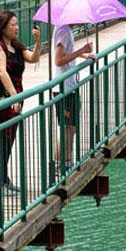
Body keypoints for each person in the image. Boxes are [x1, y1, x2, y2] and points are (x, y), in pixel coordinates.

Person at [0, 10, 41, 194]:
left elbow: (33, 58)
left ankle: (2, 178)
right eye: (13, 25)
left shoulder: (16, 46)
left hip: (16, 99)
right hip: (2, 99)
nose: (17, 28)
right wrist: (13, 96)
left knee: (8, 139)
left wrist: (38, 42)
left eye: (17, 24)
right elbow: (1, 72)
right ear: (3, 27)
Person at [52, 24, 96, 167]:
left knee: (72, 127)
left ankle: (67, 160)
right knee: (66, 127)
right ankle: (60, 162)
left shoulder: (66, 30)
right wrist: (82, 50)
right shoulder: (63, 31)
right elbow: (58, 60)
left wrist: (85, 55)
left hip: (70, 85)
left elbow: (67, 53)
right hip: (63, 88)